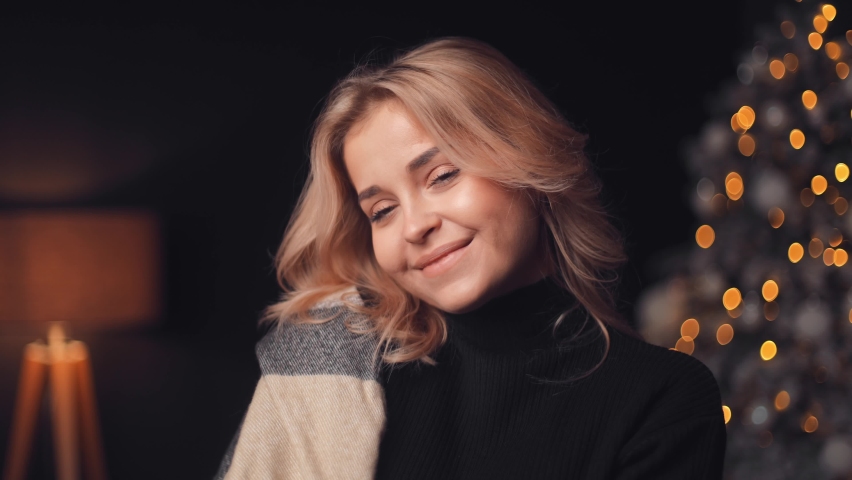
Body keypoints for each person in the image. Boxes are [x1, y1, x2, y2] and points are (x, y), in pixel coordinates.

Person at [215, 37, 727, 479]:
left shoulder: (661, 398)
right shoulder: (328, 365)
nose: (415, 226)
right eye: (383, 210)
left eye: (442, 176)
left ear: (525, 157)